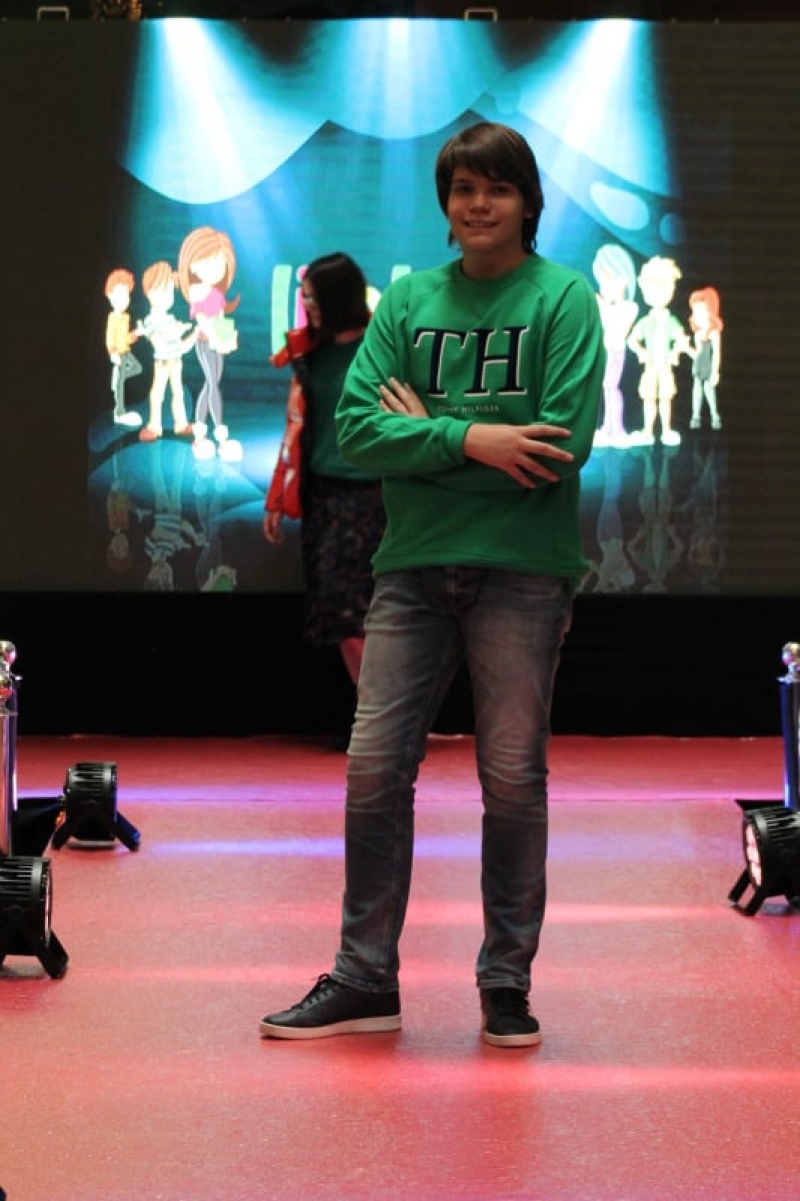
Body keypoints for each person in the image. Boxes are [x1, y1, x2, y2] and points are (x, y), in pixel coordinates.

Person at [259, 122, 604, 1048]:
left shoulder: (564, 299)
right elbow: (357, 434)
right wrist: (477, 438)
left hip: (523, 573)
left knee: (513, 781)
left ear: (527, 202)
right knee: (374, 770)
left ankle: (506, 983)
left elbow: (560, 446)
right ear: (446, 206)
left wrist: (428, 437)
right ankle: (364, 976)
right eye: (463, 190)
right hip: (409, 571)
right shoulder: (410, 300)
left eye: (497, 188)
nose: (479, 204)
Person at [263, 253, 385, 690]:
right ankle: (376, 709)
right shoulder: (310, 354)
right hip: (324, 498)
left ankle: (385, 711)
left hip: (376, 498)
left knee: (370, 611)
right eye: (305, 297)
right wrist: (277, 499)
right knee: (336, 611)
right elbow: (295, 431)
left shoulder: (383, 347)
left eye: (314, 298)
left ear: (337, 298)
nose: (307, 306)